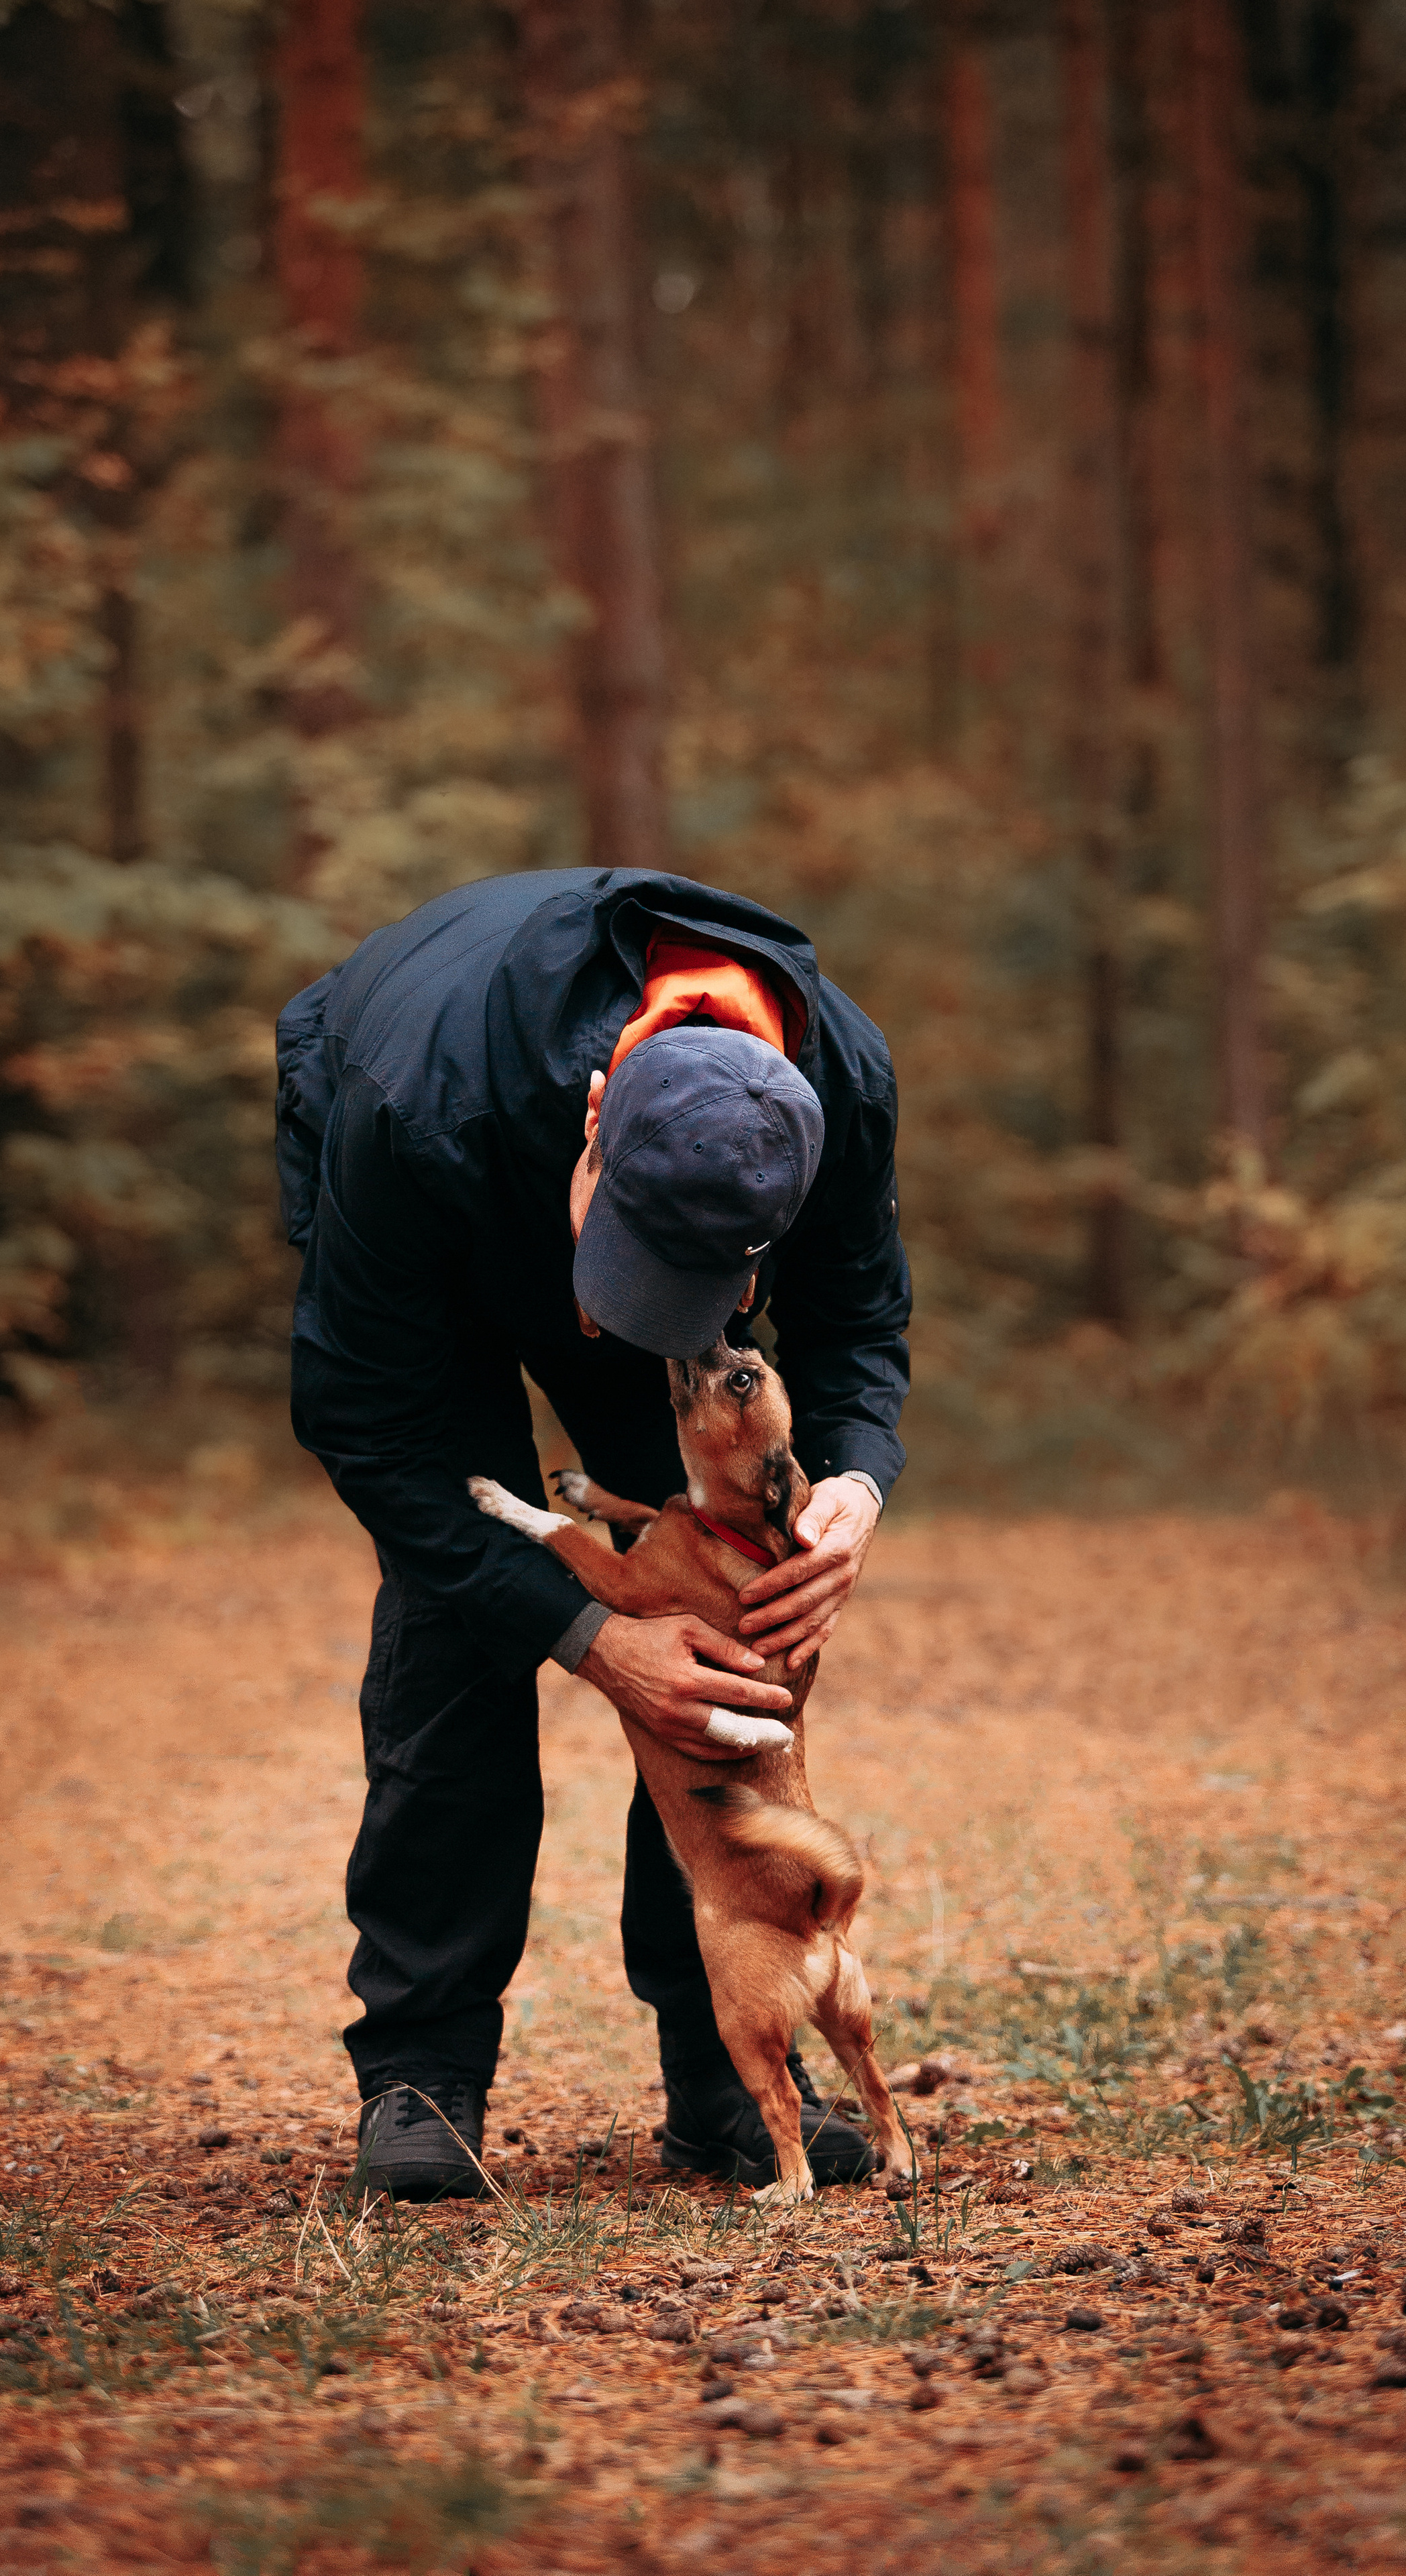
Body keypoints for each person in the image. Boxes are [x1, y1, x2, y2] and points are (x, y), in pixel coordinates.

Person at [275, 867, 910, 2198]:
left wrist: (849, 1483)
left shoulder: (834, 1091)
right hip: (435, 1198)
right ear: (592, 1124)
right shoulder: (412, 1107)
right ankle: (423, 2071)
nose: (622, 1319)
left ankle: (726, 2083)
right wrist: (587, 1633)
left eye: (691, 1289)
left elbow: (854, 1327)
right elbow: (376, 1425)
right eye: (627, 1266)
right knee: (467, 1611)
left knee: (720, 1640)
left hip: (567, 1173)